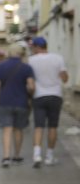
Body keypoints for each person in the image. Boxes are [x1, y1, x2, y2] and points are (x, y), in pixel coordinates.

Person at [28, 36, 68, 167]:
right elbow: (65, 78)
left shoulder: (31, 60)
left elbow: (30, 80)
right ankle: (49, 157)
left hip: (39, 96)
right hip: (55, 95)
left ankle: (37, 155)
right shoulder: (58, 58)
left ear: (36, 47)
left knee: (38, 126)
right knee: (52, 127)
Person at [0, 44, 35, 168]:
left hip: (5, 102)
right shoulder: (27, 68)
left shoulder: (0, 67)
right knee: (18, 129)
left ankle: (6, 157)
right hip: (21, 102)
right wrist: (29, 95)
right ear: (21, 54)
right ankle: (17, 156)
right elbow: (31, 86)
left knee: (7, 129)